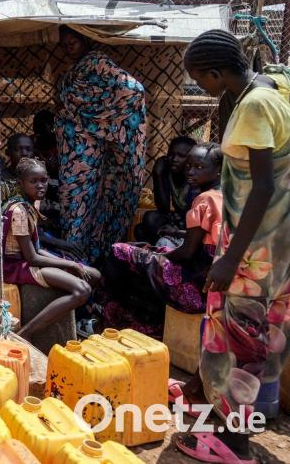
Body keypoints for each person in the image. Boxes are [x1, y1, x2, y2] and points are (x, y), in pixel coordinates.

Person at [171, 29, 290, 463]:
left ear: (217, 73)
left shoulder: (256, 105)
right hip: (279, 243)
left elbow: (262, 187)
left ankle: (232, 446)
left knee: (242, 346)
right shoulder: (274, 85)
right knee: (254, 334)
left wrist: (231, 259)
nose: (200, 86)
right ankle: (210, 403)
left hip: (254, 250)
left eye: (200, 78)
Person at [100, 143, 223, 337]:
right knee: (139, 248)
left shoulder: (205, 199)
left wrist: (156, 255)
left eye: (199, 167)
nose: (190, 171)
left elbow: (187, 252)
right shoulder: (228, 197)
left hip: (194, 284)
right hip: (210, 280)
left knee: (118, 252)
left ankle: (114, 320)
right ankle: (145, 322)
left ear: (219, 170)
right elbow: (204, 240)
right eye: (189, 165)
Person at [55, 26, 147, 263]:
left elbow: (134, 90)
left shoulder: (97, 63)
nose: (68, 47)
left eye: (72, 42)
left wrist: (96, 121)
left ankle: (88, 262)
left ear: (85, 39)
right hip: (76, 158)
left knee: (91, 204)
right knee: (73, 202)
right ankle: (74, 262)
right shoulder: (76, 69)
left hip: (87, 153)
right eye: (64, 43)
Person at [0, 158, 100, 342]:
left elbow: (36, 249)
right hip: (14, 267)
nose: (40, 186)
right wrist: (69, 264)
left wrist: (71, 264)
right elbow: (32, 257)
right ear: (21, 183)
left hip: (27, 260)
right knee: (82, 290)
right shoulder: (18, 211)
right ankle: (23, 335)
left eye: (43, 180)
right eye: (33, 182)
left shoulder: (30, 205)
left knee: (94, 274)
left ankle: (81, 321)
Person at [134, 136, 198, 245]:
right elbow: (163, 208)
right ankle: (159, 252)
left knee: (148, 224)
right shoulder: (169, 172)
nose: (174, 159)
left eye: (181, 156)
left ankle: (167, 251)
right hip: (178, 220)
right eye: (171, 154)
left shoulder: (196, 178)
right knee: (144, 224)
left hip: (193, 225)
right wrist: (157, 175)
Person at [0, 133, 34, 201]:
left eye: (28, 149)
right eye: (18, 149)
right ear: (7, 152)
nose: (24, 153)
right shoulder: (0, 178)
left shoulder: (40, 179)